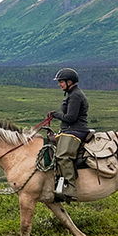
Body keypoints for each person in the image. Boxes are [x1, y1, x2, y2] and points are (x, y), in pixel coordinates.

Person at [48, 68, 89, 199]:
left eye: (61, 82)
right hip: (70, 130)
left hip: (76, 131)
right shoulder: (71, 94)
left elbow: (71, 118)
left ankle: (70, 188)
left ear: (69, 82)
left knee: (62, 156)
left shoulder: (75, 96)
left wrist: (56, 115)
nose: (59, 84)